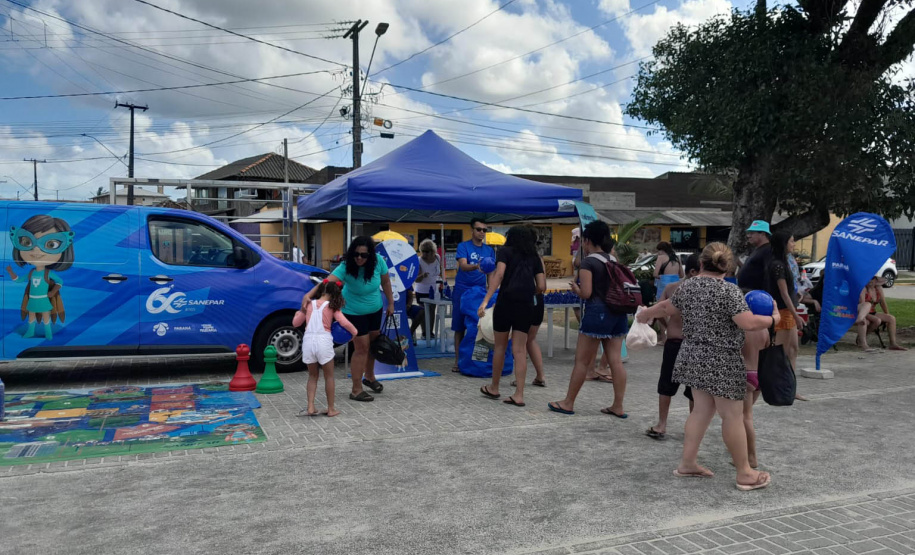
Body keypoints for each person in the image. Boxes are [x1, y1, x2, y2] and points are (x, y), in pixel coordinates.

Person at [636, 242, 777, 491]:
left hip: (692, 355)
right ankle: (744, 472)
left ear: (701, 263)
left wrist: (644, 314)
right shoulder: (730, 292)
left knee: (700, 411)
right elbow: (749, 323)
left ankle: (688, 462)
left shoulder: (687, 286)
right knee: (732, 415)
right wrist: (774, 318)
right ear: (728, 267)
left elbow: (667, 307)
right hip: (722, 360)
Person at [549, 221, 628, 418]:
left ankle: (568, 402)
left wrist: (576, 290)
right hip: (617, 313)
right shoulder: (613, 259)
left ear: (587, 241)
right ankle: (618, 405)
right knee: (615, 361)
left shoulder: (589, 262)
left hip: (597, 312)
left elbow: (586, 293)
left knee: (582, 361)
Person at [301, 236, 395, 402]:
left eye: (364, 255)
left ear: (370, 256)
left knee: (373, 345)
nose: (359, 258)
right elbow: (326, 283)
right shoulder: (346, 266)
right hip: (353, 311)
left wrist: (391, 304)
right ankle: (356, 389)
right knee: (362, 348)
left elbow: (386, 282)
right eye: (356, 254)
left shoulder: (379, 261)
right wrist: (309, 295)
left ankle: (370, 377)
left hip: (375, 309)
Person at [478, 226, 546, 407]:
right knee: (520, 350)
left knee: (500, 346)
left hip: (505, 302)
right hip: (526, 306)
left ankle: (494, 387)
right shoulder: (534, 257)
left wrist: (485, 301)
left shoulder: (504, 252)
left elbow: (499, 275)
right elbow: (542, 285)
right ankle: (519, 394)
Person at [645, 253, 700, 440]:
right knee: (694, 389)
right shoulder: (705, 291)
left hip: (675, 340)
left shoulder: (672, 288)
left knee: (667, 384)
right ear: (693, 272)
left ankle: (662, 424)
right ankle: (692, 427)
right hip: (694, 344)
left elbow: (658, 309)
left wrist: (668, 327)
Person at [294, 280, 357, 417]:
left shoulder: (309, 304)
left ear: (321, 291)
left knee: (312, 376)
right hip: (324, 340)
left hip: (308, 341)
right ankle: (331, 409)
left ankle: (310, 406)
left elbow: (296, 323)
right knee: (329, 376)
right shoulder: (332, 307)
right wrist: (354, 332)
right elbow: (343, 322)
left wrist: (301, 310)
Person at [452, 218, 495, 373]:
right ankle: (457, 361)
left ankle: (478, 361)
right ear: (472, 230)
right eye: (479, 229)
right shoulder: (463, 246)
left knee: (481, 326)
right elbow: (463, 266)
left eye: (485, 230)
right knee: (459, 327)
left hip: (479, 292)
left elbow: (490, 272)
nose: (482, 232)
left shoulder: (489, 250)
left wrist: (491, 292)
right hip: (462, 290)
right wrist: (477, 266)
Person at [767, 232, 805, 400]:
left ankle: (790, 386)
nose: (794, 244)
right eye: (791, 241)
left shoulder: (787, 263)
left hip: (790, 309)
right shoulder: (777, 265)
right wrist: (796, 315)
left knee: (793, 349)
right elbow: (783, 293)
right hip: (783, 311)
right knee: (781, 351)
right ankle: (778, 387)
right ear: (783, 243)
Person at [512, 254, 548, 389]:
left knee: (520, 341)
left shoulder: (517, 258)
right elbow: (543, 285)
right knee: (531, 339)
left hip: (525, 300)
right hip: (538, 300)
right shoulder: (539, 259)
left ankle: (520, 378)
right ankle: (540, 375)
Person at [857, 276, 908, 351]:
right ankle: (862, 343)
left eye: (873, 279)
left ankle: (893, 343)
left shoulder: (878, 289)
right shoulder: (864, 289)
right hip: (863, 312)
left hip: (873, 312)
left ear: (876, 280)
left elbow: (883, 303)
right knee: (875, 320)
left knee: (891, 318)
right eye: (869, 279)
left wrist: (887, 314)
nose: (870, 281)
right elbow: (862, 306)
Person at [654, 241, 685, 343]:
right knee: (675, 309)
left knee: (661, 310)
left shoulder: (661, 258)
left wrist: (662, 277)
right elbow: (682, 275)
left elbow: (655, 273)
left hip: (664, 284)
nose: (658, 253)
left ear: (662, 250)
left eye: (659, 251)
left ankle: (664, 338)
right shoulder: (676, 258)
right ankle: (675, 334)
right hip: (676, 284)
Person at [413, 239, 441, 340]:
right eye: (422, 251)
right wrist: (422, 275)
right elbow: (416, 279)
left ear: (433, 251)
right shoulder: (419, 260)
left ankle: (430, 332)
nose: (424, 254)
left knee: (432, 311)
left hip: (433, 289)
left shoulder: (437, 258)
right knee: (423, 312)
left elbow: (439, 271)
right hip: (421, 289)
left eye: (427, 252)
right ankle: (424, 332)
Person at [737, 220, 772, 293]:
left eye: (752, 233)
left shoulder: (768, 250)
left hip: (758, 296)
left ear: (762, 233)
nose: (748, 236)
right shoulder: (758, 249)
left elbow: (769, 275)